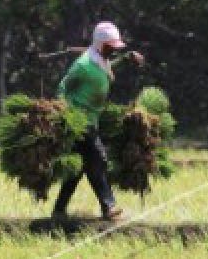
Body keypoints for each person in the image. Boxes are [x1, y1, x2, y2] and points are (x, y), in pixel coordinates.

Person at [52, 21, 144, 222]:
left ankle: (59, 209)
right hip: (79, 122)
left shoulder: (102, 59)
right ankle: (108, 206)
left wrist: (127, 58)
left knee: (77, 169)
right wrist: (66, 115)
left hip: (92, 119)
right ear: (101, 44)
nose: (114, 49)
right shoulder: (83, 65)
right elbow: (63, 87)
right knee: (98, 159)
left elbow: (106, 68)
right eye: (111, 46)